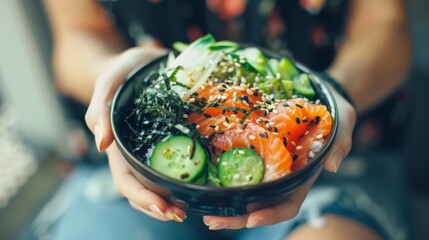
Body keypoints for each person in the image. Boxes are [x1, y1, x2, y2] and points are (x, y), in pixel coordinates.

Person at [42, 0, 411, 239]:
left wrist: (335, 89)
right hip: (127, 167)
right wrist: (111, 78)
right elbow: (78, 33)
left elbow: (385, 25)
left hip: (339, 165)